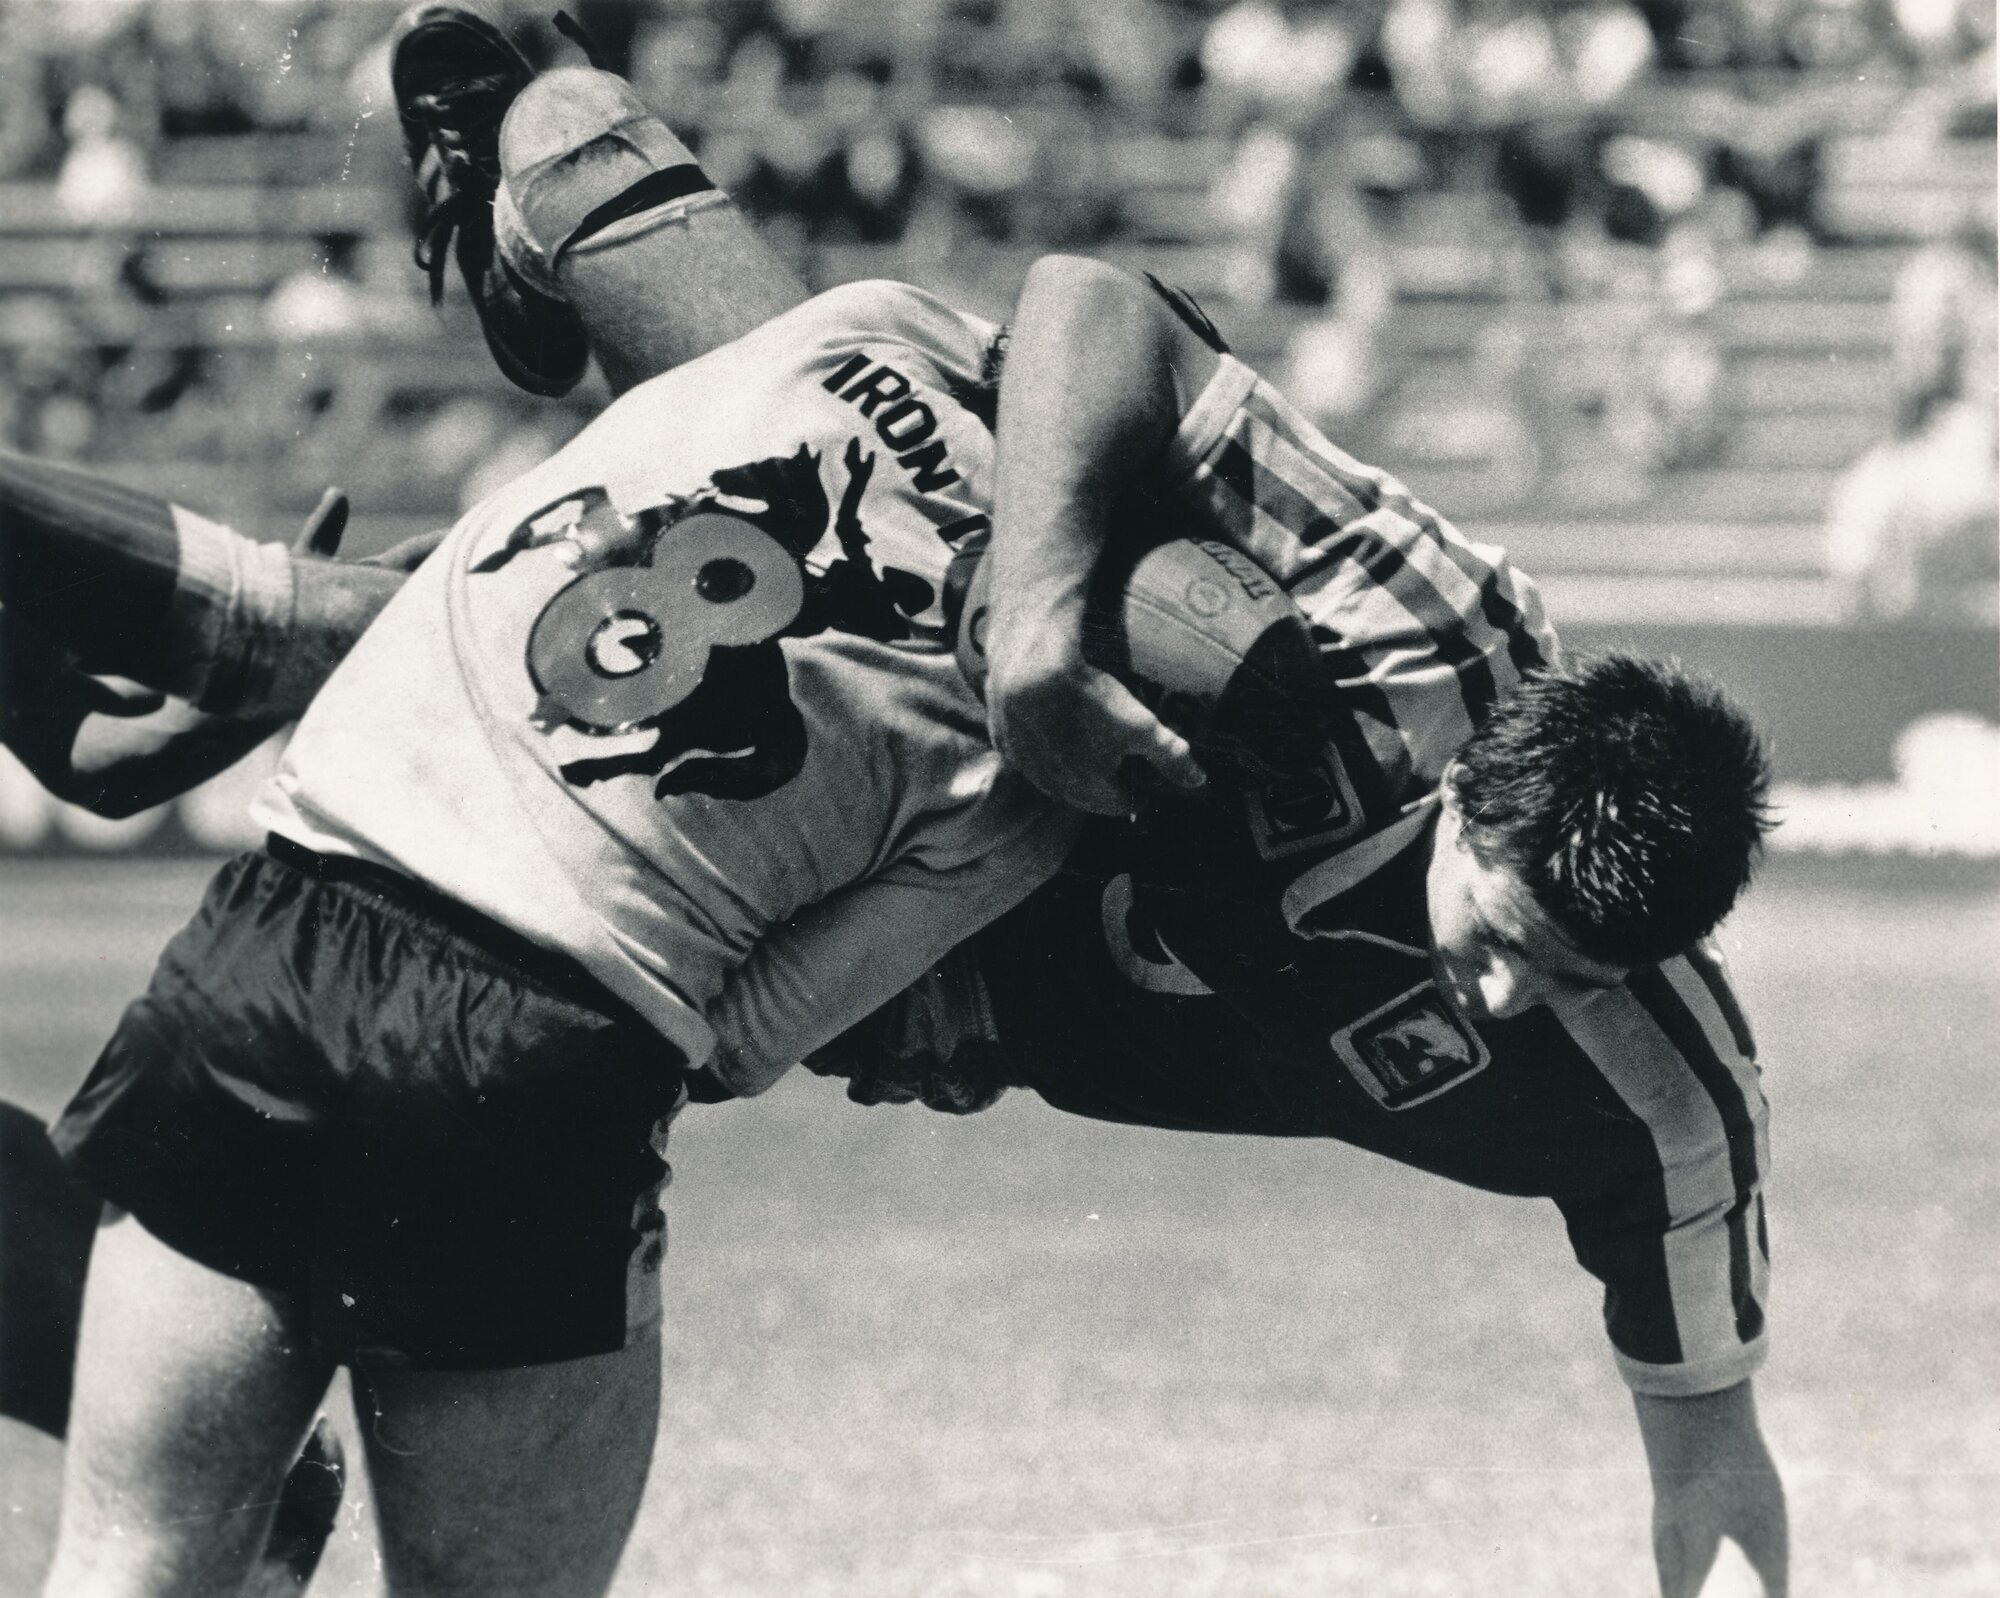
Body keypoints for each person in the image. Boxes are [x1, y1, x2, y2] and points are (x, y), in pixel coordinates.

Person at [1, 10, 1784, 1595]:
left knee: (752, 504)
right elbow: (1095, 302)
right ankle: (547, 128)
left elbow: (1711, 1444)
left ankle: (542, 163)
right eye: (1511, 937)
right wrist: (1034, 621)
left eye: (1565, 983)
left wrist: (921, 987)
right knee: (821, 471)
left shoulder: (1658, 1093)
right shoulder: (1415, 639)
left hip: (779, 838)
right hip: (974, 609)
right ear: (1475, 776)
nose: (1507, 1000)